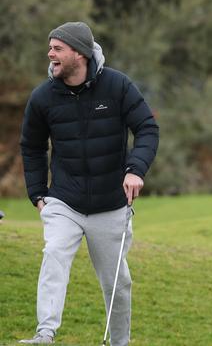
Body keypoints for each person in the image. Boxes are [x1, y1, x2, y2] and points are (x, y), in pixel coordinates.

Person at [19, 22, 159, 345]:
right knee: (53, 253)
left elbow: (148, 129)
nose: (50, 54)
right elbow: (31, 146)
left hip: (111, 204)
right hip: (64, 201)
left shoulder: (118, 86)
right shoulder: (43, 97)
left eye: (57, 48)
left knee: (118, 282)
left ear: (79, 53)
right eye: (50, 47)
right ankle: (45, 333)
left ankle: (120, 342)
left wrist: (136, 169)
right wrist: (39, 194)